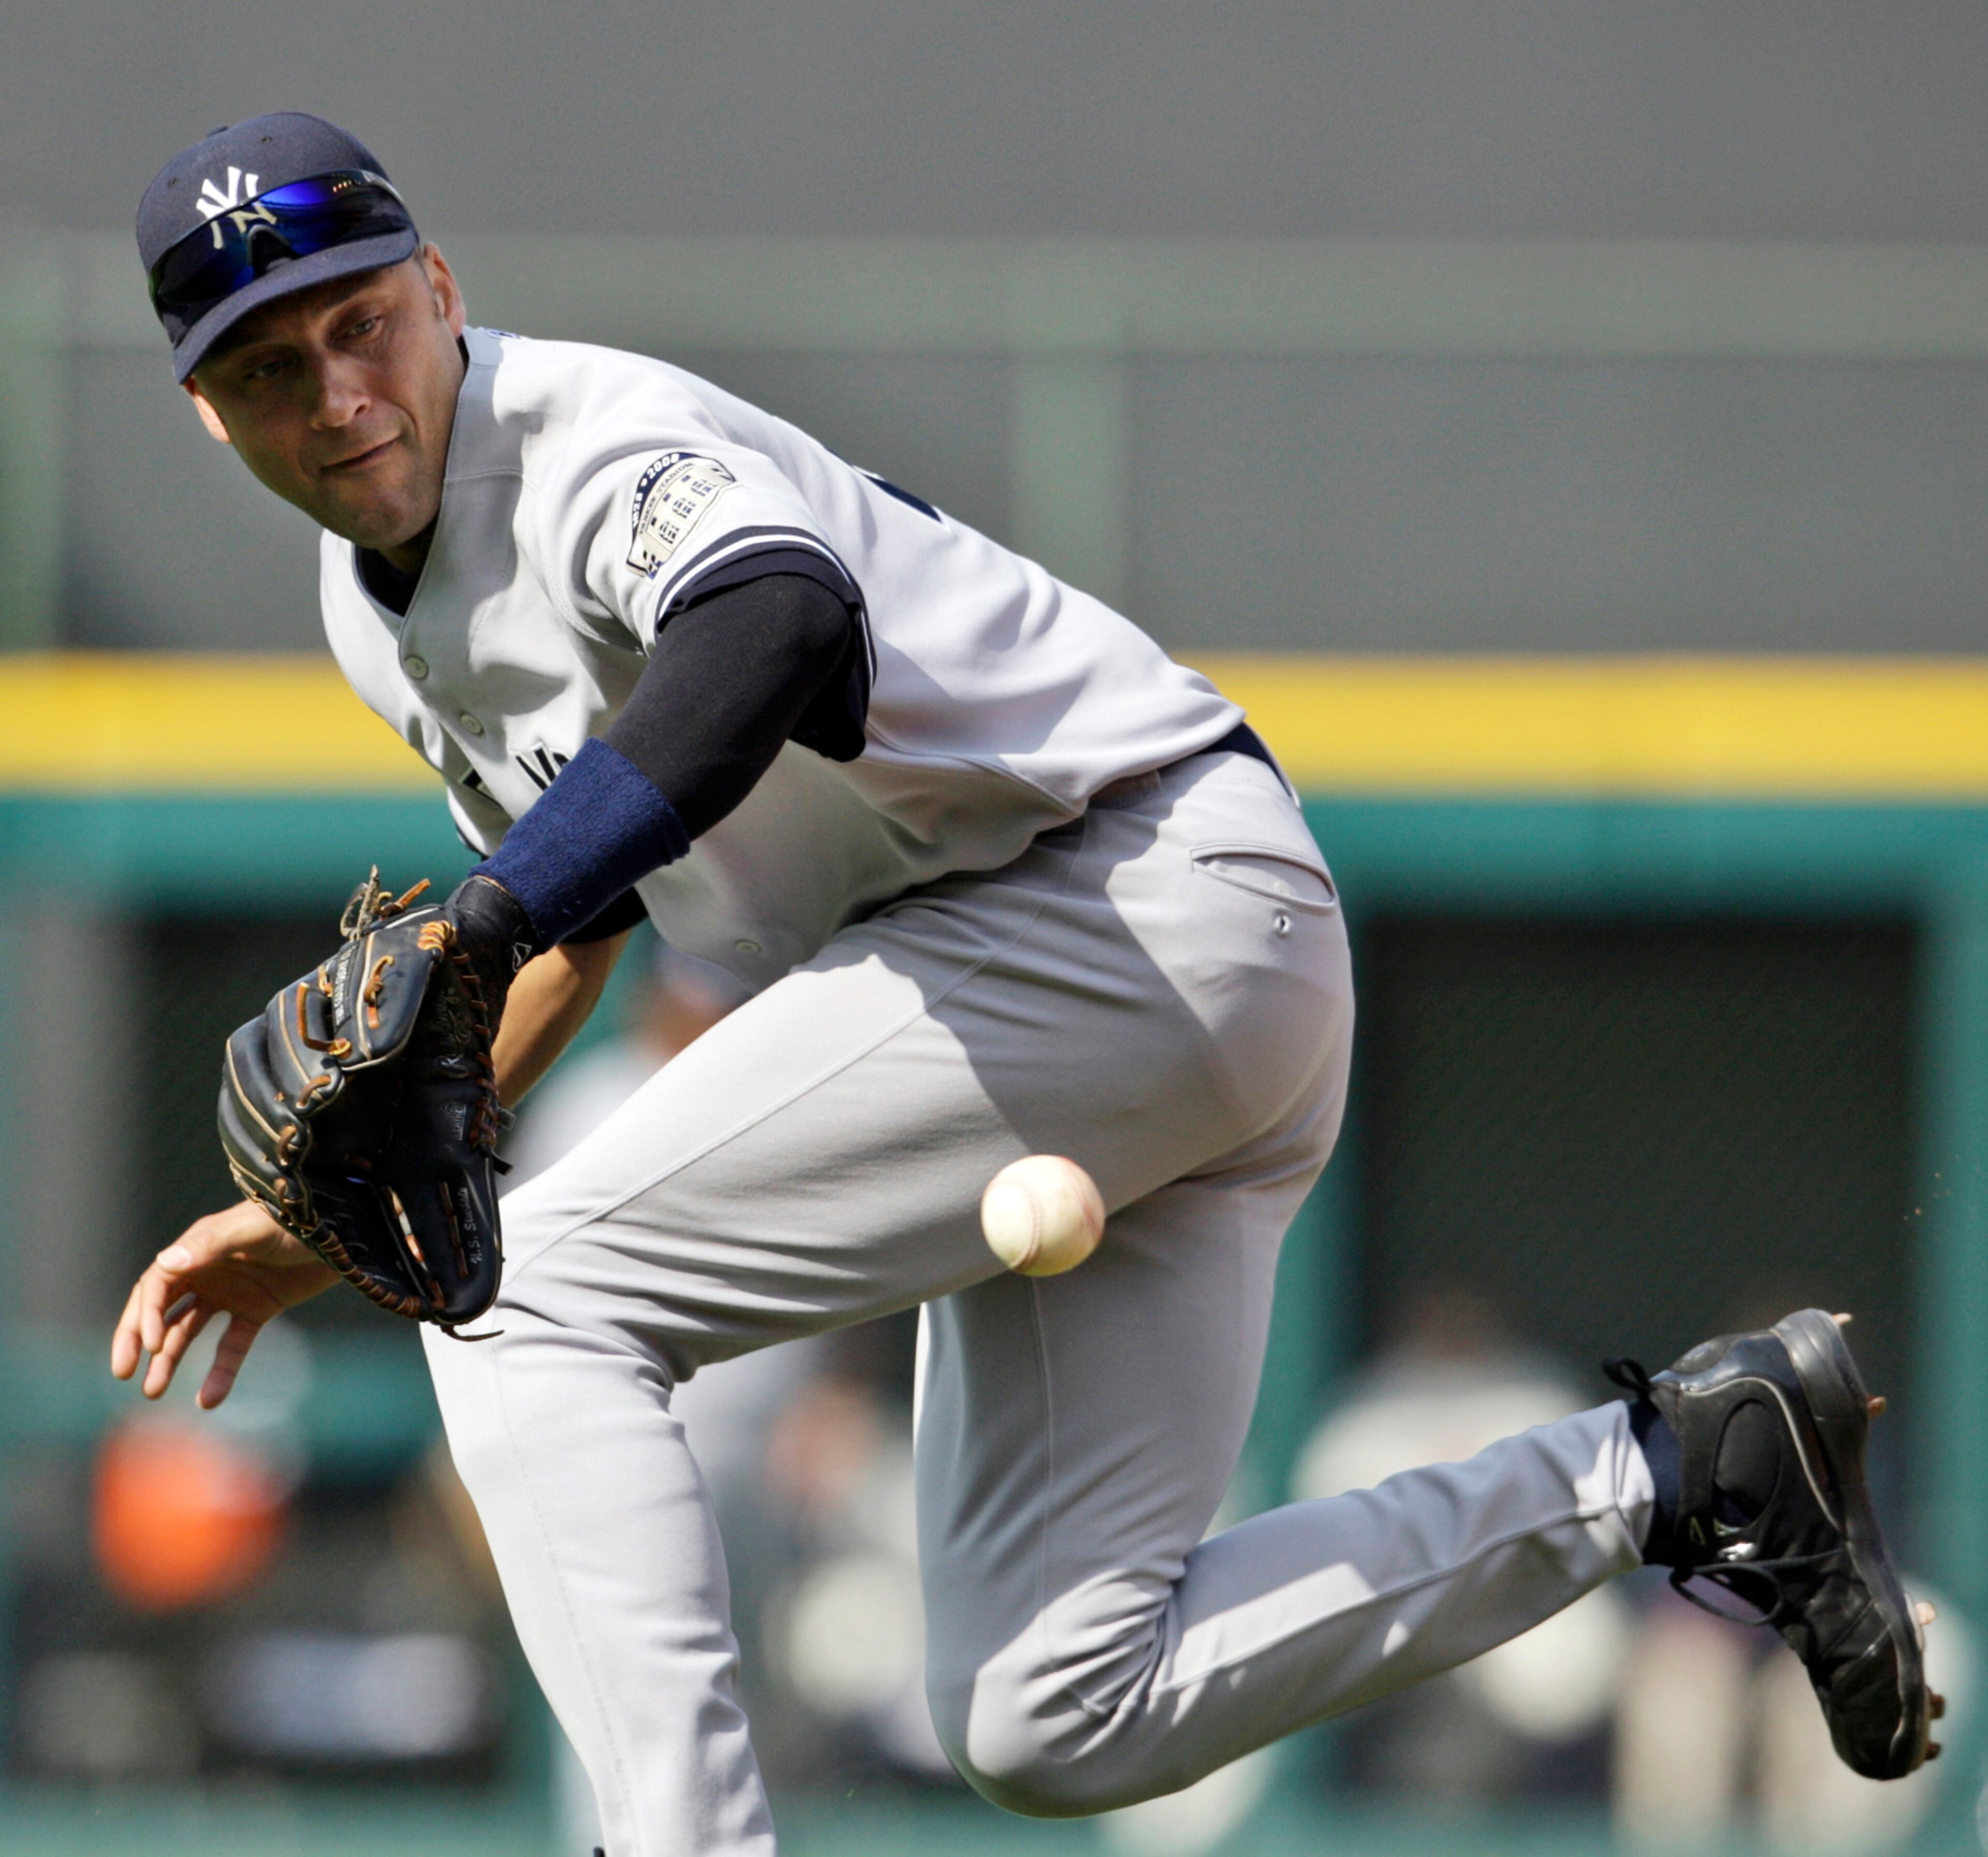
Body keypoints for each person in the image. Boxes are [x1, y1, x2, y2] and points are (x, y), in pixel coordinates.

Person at [108, 114, 1933, 1855]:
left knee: (527, 1304)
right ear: (205, 411)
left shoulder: (587, 439)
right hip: (1081, 981)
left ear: (438, 283)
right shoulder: (375, 607)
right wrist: (319, 1210)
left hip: (1124, 896)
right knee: (1056, 1707)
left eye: (363, 322)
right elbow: (595, 898)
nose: (342, 393)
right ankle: (1680, 1464)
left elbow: (775, 621)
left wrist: (482, 919)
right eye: (276, 367)